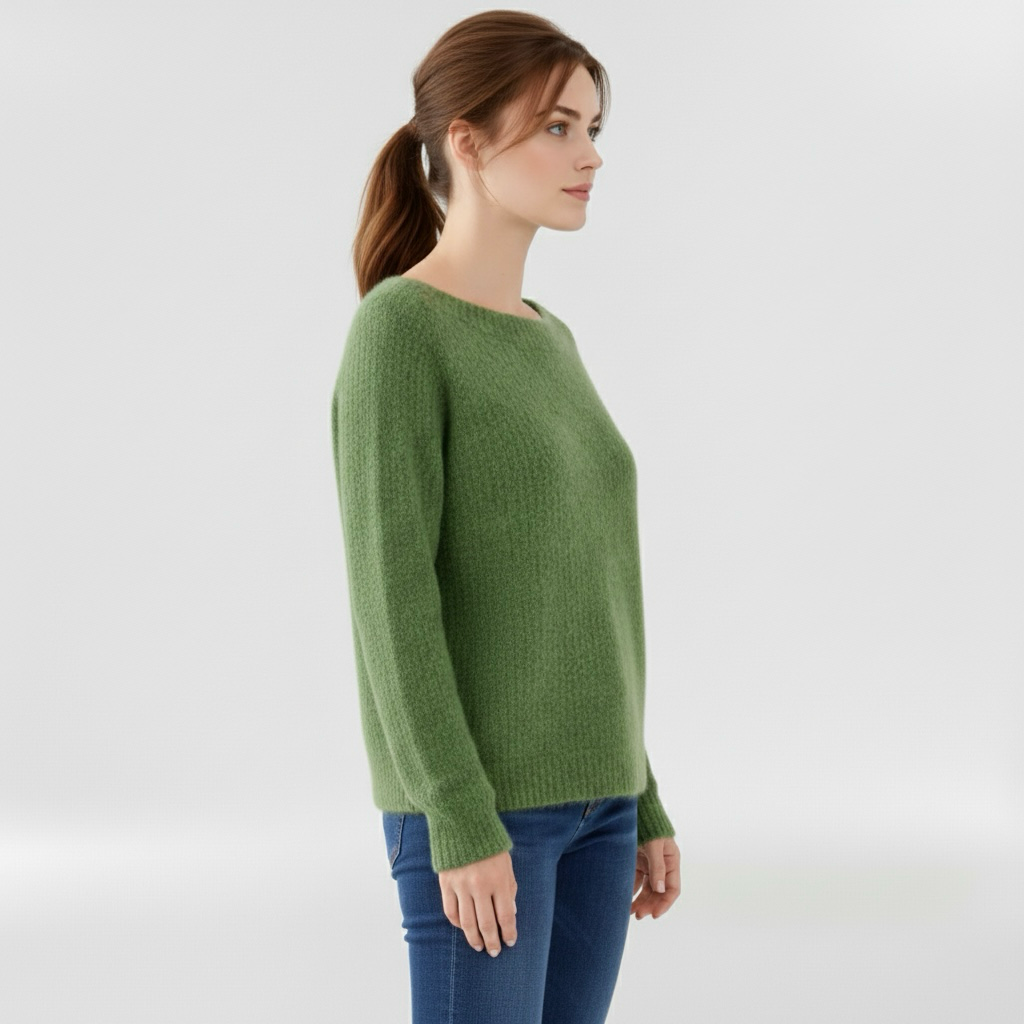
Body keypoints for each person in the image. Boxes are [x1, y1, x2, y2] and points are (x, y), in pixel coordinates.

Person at [330, 10, 680, 1022]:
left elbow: (587, 584)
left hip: (600, 807)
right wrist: (457, 814)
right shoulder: (399, 332)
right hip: (484, 812)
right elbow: (391, 600)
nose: (590, 154)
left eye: (593, 128)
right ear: (469, 143)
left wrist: (640, 793)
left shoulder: (549, 338)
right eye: (558, 127)